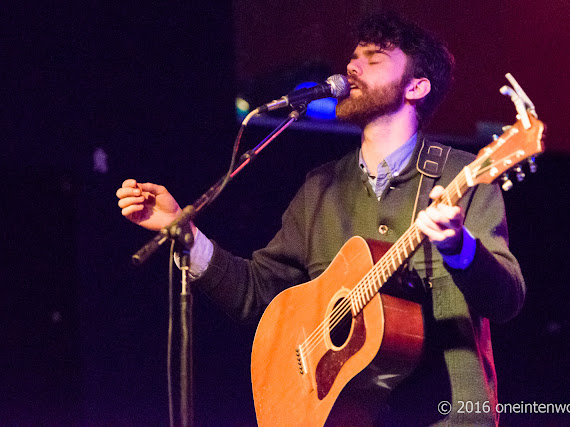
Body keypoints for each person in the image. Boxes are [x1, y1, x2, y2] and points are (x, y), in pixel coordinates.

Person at [116, 12, 525, 426]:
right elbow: (257, 295)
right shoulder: (321, 187)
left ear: (416, 87)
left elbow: (507, 299)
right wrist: (186, 234)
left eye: (374, 58)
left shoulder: (462, 176)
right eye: (353, 56)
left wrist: (459, 246)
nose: (352, 66)